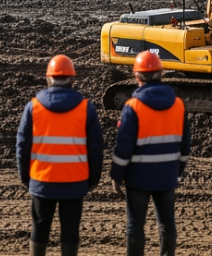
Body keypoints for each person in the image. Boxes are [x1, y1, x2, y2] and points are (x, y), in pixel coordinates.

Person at [16, 55, 103, 256]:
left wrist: (25, 177)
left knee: (39, 228)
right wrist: (92, 180)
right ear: (72, 79)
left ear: (48, 79)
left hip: (42, 181)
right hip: (75, 182)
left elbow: (22, 145)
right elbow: (96, 148)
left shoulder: (34, 107)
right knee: (70, 231)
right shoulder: (85, 108)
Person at [111, 51, 190, 256]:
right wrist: (178, 172)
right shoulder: (178, 104)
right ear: (161, 73)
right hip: (166, 175)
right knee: (166, 224)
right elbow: (185, 145)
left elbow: (123, 146)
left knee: (135, 224)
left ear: (137, 76)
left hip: (138, 178)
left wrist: (117, 175)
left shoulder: (133, 107)